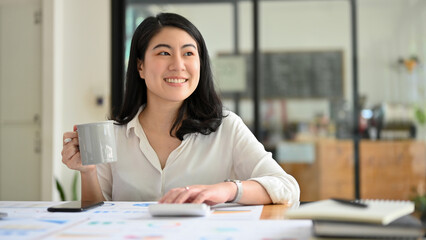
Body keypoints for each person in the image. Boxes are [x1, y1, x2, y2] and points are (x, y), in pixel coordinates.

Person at [61, 12, 299, 206]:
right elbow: (96, 215)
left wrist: (226, 190)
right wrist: (87, 171)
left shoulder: (227, 127)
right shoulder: (112, 135)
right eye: (164, 53)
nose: (178, 65)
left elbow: (287, 188)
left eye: (188, 53)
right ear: (140, 66)